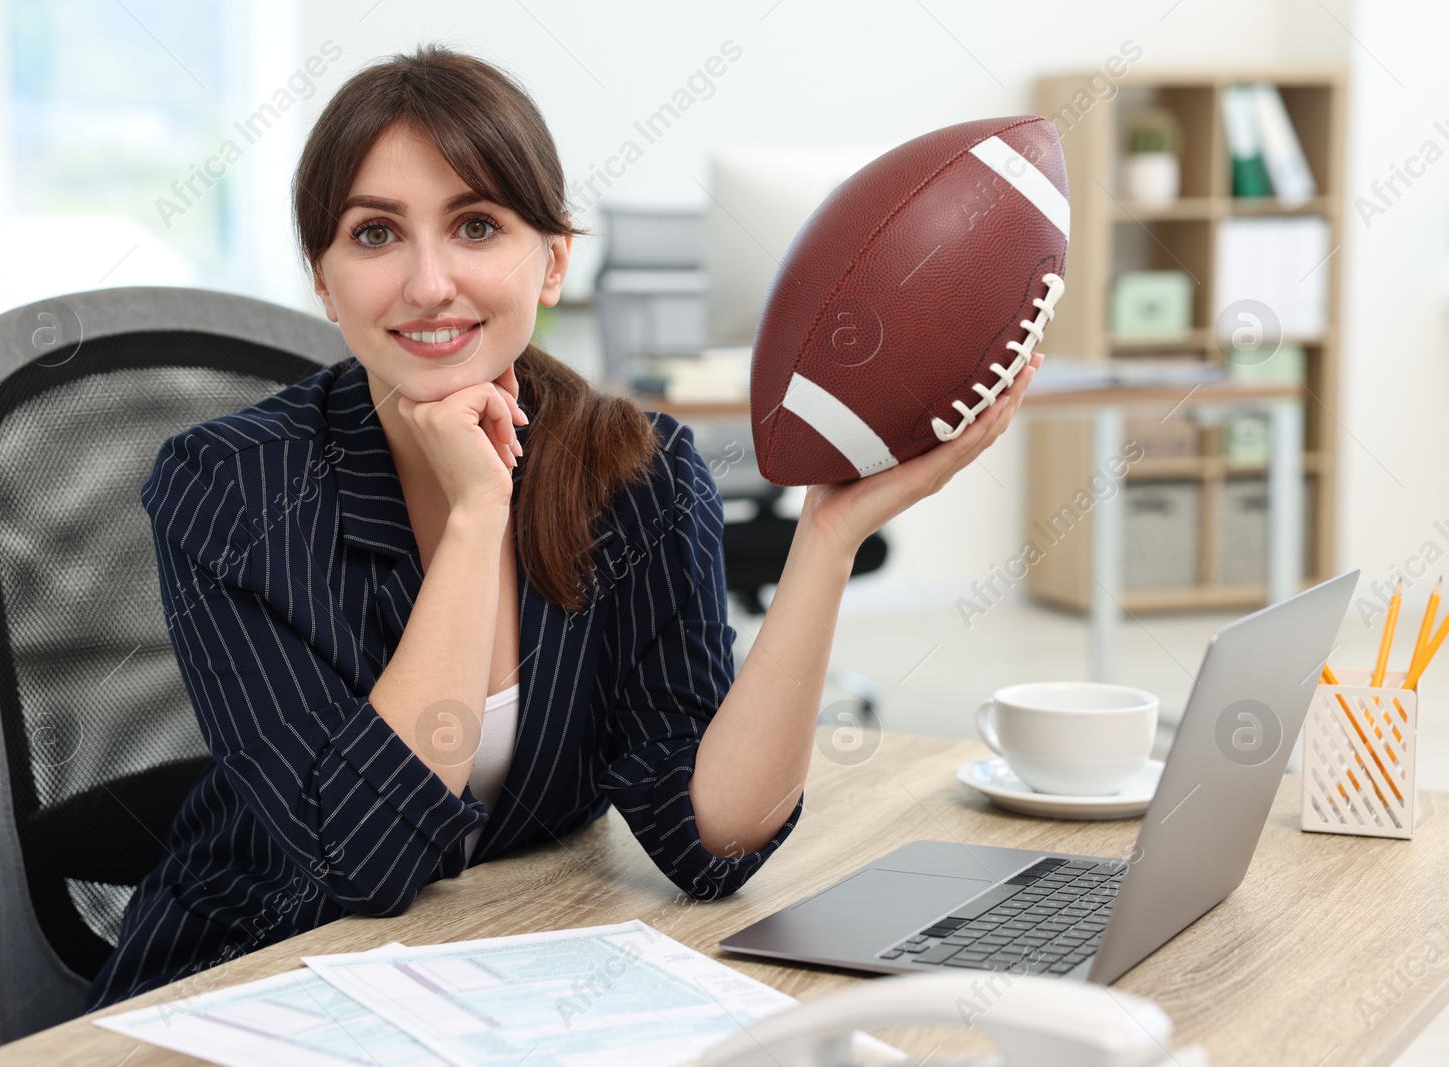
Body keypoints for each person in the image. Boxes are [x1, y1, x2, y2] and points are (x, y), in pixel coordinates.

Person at [84, 42, 1040, 1010]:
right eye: (374, 234)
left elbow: (708, 845)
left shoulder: (639, 474)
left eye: (476, 225)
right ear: (324, 281)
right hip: (240, 985)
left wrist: (825, 538)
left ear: (552, 261)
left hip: (498, 978)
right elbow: (362, 864)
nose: (427, 283)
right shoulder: (227, 486)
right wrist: (473, 515)